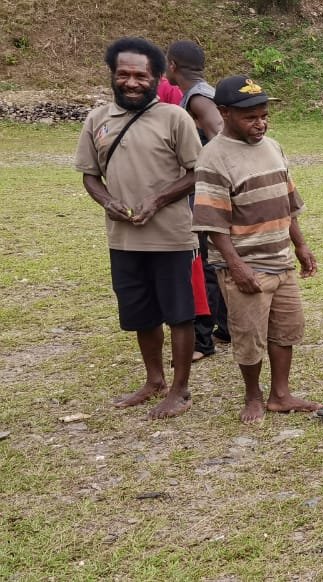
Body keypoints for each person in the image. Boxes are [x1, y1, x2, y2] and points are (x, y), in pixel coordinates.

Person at [74, 37, 203, 420]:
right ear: (113, 76)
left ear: (158, 77)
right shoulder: (97, 119)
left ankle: (180, 390)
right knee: (140, 313)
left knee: (180, 314)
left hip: (173, 236)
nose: (132, 82)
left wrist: (159, 200)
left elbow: (198, 173)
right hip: (124, 238)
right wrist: (107, 201)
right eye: (124, 75)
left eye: (141, 76)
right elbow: (90, 176)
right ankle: (154, 380)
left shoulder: (175, 118)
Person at [192, 75, 320, 423]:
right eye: (251, 117)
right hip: (246, 266)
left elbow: (287, 202)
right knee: (248, 337)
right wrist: (236, 267)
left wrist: (301, 245)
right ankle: (253, 396)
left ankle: (281, 394)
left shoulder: (273, 146)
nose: (260, 123)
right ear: (224, 113)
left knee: (286, 330)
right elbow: (213, 224)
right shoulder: (213, 158)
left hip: (280, 261)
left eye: (264, 115)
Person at [166, 39, 229, 361]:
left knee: (202, 266)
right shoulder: (206, 93)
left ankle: (202, 342)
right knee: (216, 262)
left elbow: (221, 137)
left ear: (172, 65)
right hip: (211, 191)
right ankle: (227, 328)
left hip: (205, 193)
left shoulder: (198, 98)